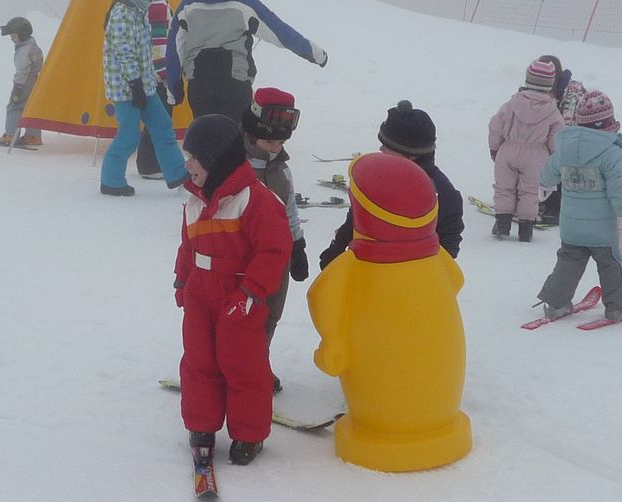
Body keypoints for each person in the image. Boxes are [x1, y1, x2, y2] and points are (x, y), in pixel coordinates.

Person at [174, 114, 293, 465]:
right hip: (200, 294)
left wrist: (252, 292)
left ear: (215, 160)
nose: (189, 164)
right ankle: (202, 425)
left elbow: (274, 250)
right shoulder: (195, 200)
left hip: (238, 296)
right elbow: (187, 247)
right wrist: (182, 281)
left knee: (243, 365)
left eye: (194, 157)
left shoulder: (254, 199)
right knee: (199, 361)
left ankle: (248, 433)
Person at [165, 0, 328, 124]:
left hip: (200, 83)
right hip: (234, 82)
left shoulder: (188, 4)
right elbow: (279, 31)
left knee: (206, 140)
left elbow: (175, 47)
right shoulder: (243, 2)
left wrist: (173, 88)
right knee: (234, 141)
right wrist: (315, 54)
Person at [319, 100, 464, 269]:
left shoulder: (442, 193)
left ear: (410, 155)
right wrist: (337, 247)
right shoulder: (379, 179)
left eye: (387, 146)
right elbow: (357, 217)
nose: (381, 149)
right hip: (370, 271)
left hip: (414, 279)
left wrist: (433, 273)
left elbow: (449, 243)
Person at [536, 90, 622, 323]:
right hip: (604, 229)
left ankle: (557, 303)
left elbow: (548, 176)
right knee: (613, 265)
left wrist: (542, 188)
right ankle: (617, 306)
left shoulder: (565, 148)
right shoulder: (611, 152)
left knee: (568, 262)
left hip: (572, 225)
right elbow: (620, 192)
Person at [241, 87, 308, 393]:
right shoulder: (236, 168)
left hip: (278, 260)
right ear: (252, 134)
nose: (274, 148)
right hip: (244, 259)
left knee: (271, 314)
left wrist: (298, 245)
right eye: (269, 141)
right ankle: (237, 365)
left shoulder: (282, 170)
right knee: (244, 316)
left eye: (280, 142)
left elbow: (290, 208)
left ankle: (257, 361)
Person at [100, 0, 189, 196]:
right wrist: (135, 84)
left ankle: (178, 172)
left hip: (146, 84)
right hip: (126, 88)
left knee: (162, 127)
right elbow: (124, 52)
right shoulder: (121, 14)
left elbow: (143, 49)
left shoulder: (140, 9)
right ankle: (111, 180)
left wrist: (146, 81)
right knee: (129, 136)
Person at [488, 58, 564, 242]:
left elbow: (496, 125)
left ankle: (502, 224)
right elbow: (557, 137)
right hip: (536, 155)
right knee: (530, 192)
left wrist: (495, 147)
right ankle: (525, 229)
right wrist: (553, 156)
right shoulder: (553, 111)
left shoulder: (512, 104)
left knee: (504, 188)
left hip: (509, 149)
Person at [136, 0, 179, 180]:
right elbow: (159, 42)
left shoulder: (150, 2)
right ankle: (149, 164)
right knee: (160, 118)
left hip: (150, 71)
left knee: (156, 118)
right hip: (158, 73)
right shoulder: (158, 4)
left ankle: (150, 163)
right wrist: (164, 73)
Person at [535, 54, 587, 224]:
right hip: (555, 138)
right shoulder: (542, 89)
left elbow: (567, 126)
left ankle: (554, 207)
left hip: (577, 142)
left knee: (558, 162)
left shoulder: (573, 92)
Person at [0, 16, 44, 146]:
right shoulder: (34, 46)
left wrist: (18, 87)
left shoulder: (24, 50)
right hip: (35, 81)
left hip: (24, 83)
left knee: (14, 107)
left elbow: (22, 70)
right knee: (31, 107)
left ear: (22, 35)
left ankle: (11, 135)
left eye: (13, 36)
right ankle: (33, 136)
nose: (11, 39)